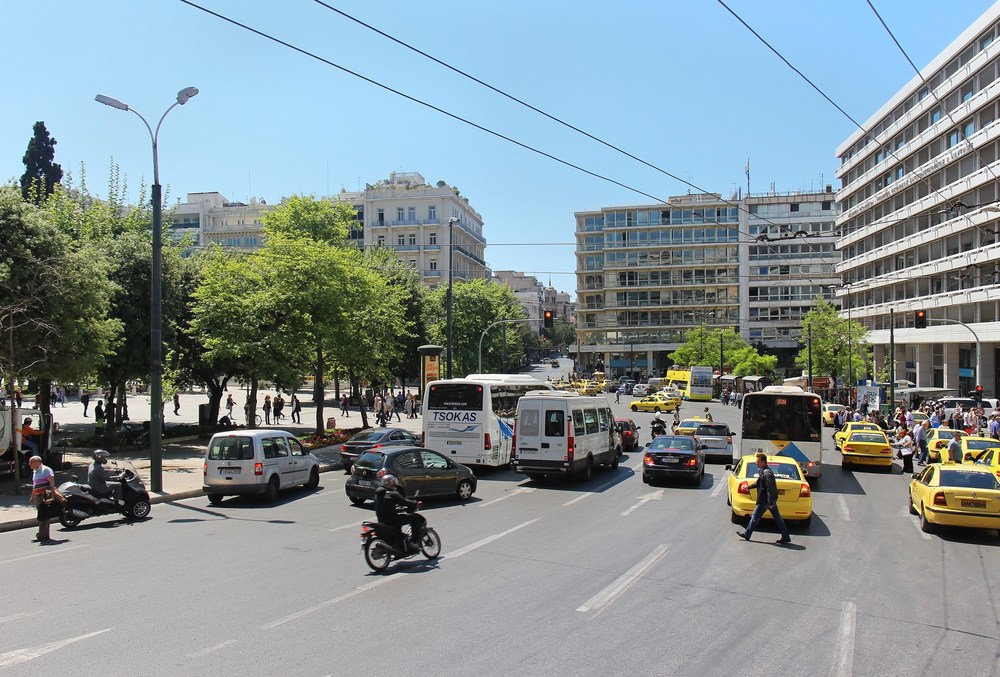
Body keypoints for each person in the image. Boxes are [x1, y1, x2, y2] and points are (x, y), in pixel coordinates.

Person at [737, 452, 791, 544]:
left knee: (755, 517)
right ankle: (786, 536)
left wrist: (770, 503)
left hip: (765, 500)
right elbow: (758, 483)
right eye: (756, 461)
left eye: (758, 462)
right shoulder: (763, 471)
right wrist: (748, 487)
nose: (756, 463)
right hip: (768, 500)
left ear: (764, 462)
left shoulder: (767, 473)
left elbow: (770, 488)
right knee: (778, 518)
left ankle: (747, 534)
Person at [374, 475, 426, 552]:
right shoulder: (392, 494)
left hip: (382, 520)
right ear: (390, 484)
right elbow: (404, 502)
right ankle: (413, 542)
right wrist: (415, 503)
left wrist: (394, 509)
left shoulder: (378, 494)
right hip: (392, 519)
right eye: (393, 484)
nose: (395, 485)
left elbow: (384, 505)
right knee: (415, 518)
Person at [28, 456, 60, 543]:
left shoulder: (46, 470)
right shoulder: (35, 471)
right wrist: (32, 496)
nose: (29, 464)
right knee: (43, 515)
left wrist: (53, 493)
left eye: (31, 462)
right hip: (37, 496)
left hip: (44, 496)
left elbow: (51, 482)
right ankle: (45, 535)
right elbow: (35, 485)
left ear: (37, 462)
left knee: (43, 515)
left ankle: (40, 535)